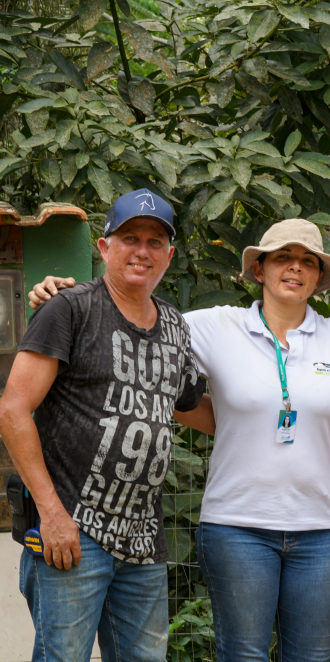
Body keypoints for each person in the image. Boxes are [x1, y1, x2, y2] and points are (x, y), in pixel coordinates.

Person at [29, 218, 330, 662]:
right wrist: (62, 294)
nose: (294, 268)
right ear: (259, 270)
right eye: (282, 258)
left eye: (307, 262)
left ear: (319, 277)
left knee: (312, 657)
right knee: (243, 655)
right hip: (237, 526)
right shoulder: (211, 326)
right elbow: (134, 315)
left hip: (320, 531)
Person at [0, 189, 204, 661]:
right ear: (104, 247)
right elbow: (13, 410)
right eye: (130, 237)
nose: (142, 250)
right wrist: (51, 515)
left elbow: (190, 405)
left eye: (156, 242)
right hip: (72, 532)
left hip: (142, 540)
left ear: (169, 256)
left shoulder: (175, 326)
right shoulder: (69, 308)